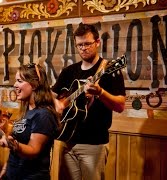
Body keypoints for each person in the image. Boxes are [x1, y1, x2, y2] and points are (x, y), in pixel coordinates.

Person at [52, 23, 126, 180]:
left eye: (87, 44)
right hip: (66, 140)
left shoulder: (109, 70)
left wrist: (100, 92)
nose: (83, 48)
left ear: (97, 42)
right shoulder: (69, 71)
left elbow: (120, 105)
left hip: (94, 145)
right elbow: (50, 95)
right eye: (79, 45)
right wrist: (57, 104)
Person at [0, 63, 59, 180]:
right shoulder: (26, 110)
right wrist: (6, 168)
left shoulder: (44, 115)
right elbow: (16, 143)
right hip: (13, 174)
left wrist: (13, 145)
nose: (15, 85)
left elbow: (33, 150)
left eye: (19, 81)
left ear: (34, 85)